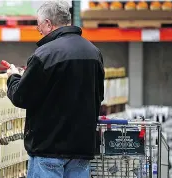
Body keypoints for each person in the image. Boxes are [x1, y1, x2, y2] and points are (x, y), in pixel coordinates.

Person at [6, 1, 105, 178]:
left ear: (48, 24)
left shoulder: (44, 54)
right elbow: (99, 95)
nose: (40, 32)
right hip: (82, 149)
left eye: (39, 27)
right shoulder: (93, 52)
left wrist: (13, 77)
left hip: (48, 149)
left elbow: (22, 97)